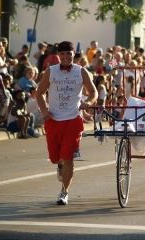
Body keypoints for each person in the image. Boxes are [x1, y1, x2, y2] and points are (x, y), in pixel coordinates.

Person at [36, 41, 98, 205]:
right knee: (56, 158)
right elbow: (39, 93)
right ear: (58, 55)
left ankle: (64, 192)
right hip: (53, 120)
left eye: (68, 54)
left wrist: (89, 102)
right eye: (62, 54)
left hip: (73, 120)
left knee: (68, 157)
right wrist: (44, 111)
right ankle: (60, 165)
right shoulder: (51, 71)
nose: (65, 57)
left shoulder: (81, 71)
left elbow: (93, 92)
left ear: (73, 55)